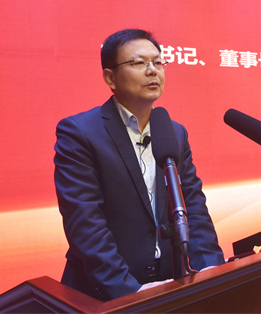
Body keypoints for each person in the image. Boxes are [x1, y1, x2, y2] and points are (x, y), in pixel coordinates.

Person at [54, 29, 224, 301]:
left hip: (169, 282)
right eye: (138, 63)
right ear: (110, 77)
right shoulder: (80, 132)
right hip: (105, 292)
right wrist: (127, 291)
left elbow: (192, 204)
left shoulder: (174, 132)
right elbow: (85, 223)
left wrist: (210, 268)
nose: (152, 70)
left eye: (158, 62)